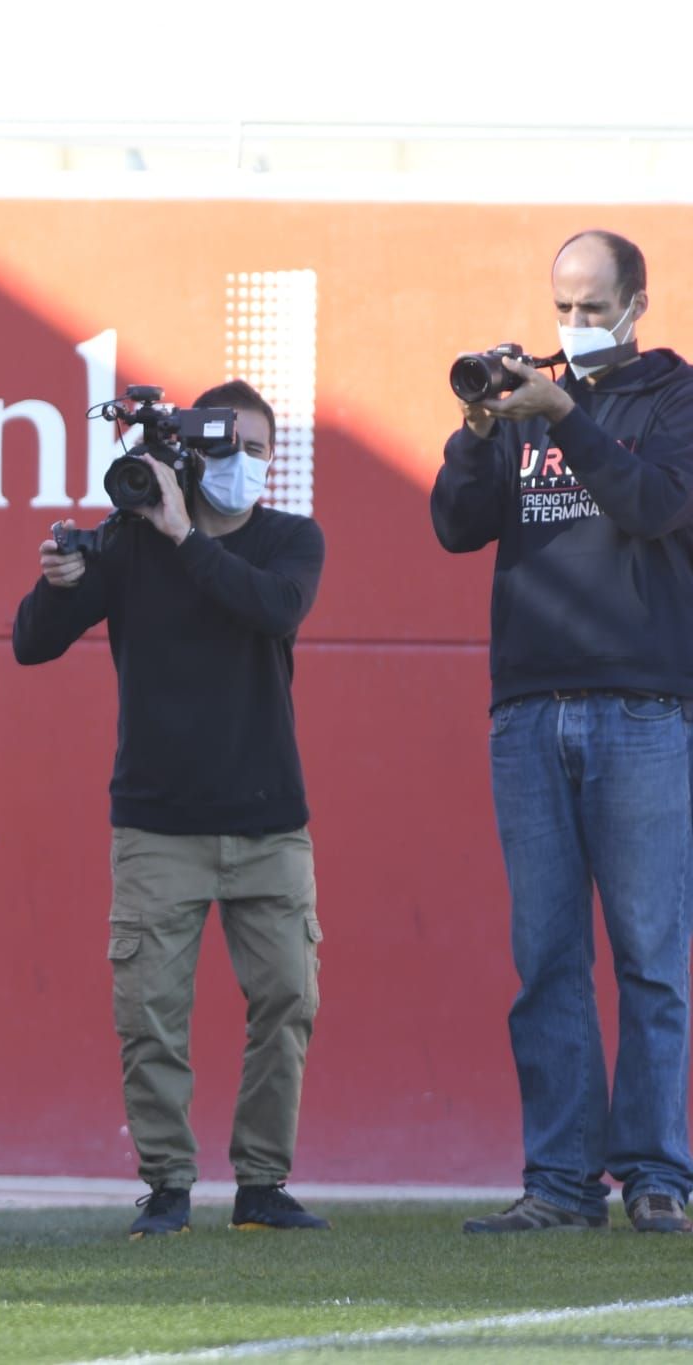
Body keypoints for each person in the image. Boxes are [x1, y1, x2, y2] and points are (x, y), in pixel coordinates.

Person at [12, 381, 330, 1239]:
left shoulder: (289, 539)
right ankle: (168, 1185)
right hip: (157, 822)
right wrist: (58, 580)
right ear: (196, 449)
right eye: (235, 446)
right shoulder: (131, 542)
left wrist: (186, 532)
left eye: (264, 448)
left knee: (288, 1000)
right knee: (150, 1011)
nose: (251, 463)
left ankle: (262, 1183)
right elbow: (31, 642)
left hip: (269, 818)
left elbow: (274, 608)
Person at [431, 230, 693, 1236]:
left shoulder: (670, 399)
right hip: (527, 709)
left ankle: (658, 1176)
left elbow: (651, 502)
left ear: (633, 306)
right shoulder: (519, 407)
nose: (573, 326)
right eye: (562, 307)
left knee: (648, 954)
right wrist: (474, 423)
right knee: (544, 957)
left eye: (591, 308)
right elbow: (455, 526)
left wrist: (564, 419)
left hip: (641, 706)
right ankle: (557, 1183)